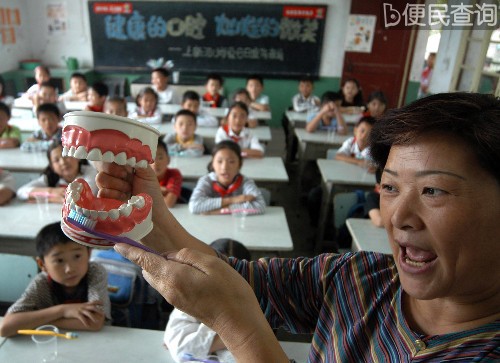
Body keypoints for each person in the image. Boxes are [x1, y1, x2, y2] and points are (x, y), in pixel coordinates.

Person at [94, 92, 500, 362]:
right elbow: (237, 281)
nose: (397, 217)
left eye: (433, 190)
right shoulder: (359, 279)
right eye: (390, 186)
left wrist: (241, 329)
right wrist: (148, 214)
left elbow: (233, 303)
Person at [0, 222, 111, 337]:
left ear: (88, 254)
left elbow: (95, 322)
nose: (70, 269)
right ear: (42, 264)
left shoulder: (95, 272)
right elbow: (5, 328)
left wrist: (34, 321)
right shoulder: (41, 283)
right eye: (59, 261)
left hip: (99, 340)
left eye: (77, 256)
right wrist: (63, 310)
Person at [164, 239, 251, 363]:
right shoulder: (192, 295)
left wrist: (208, 340)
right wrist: (236, 337)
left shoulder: (254, 302)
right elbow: (181, 347)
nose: (221, 283)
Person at [188, 140, 266, 215]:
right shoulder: (206, 180)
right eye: (219, 161)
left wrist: (218, 211)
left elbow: (260, 206)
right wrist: (234, 200)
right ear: (212, 164)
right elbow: (194, 206)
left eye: (231, 162)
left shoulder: (245, 181)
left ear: (240, 164)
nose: (224, 167)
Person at [17, 142, 97, 203]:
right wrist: (52, 192)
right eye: (56, 160)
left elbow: (84, 196)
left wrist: (47, 197)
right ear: (52, 167)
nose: (63, 162)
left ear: (77, 157)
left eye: (66, 156)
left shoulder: (90, 172)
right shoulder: (50, 178)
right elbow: (21, 192)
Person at [152, 137, 183, 208]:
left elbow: (168, 203)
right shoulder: (138, 176)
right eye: (150, 159)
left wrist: (148, 191)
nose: (155, 163)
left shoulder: (174, 174)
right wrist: (160, 190)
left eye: (160, 158)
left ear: (168, 159)